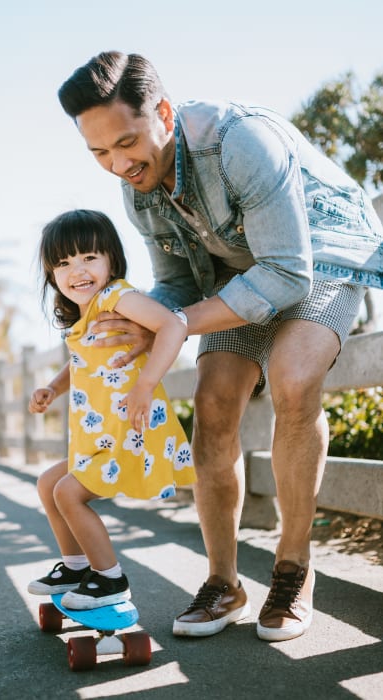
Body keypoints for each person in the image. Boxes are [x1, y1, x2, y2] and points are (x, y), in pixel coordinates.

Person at [43, 51, 382, 640]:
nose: (119, 164)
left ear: (165, 114)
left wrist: (173, 322)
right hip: (232, 275)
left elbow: (287, 273)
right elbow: (176, 283)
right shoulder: (139, 188)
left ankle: (294, 568)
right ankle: (223, 583)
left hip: (317, 257)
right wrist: (152, 317)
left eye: (127, 142)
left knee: (294, 379)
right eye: (99, 153)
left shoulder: (241, 142)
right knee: (215, 403)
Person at [27, 209, 195, 610]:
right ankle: (75, 566)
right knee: (49, 484)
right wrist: (53, 387)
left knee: (69, 493)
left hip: (130, 430)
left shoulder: (116, 296)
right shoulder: (86, 315)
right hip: (100, 435)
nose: (77, 270)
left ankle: (109, 579)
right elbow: (83, 360)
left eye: (89, 257)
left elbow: (173, 325)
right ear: (52, 274)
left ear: (111, 260)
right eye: (64, 263)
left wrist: (146, 384)